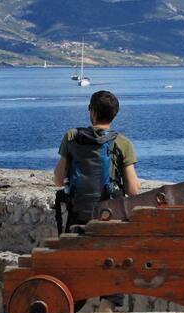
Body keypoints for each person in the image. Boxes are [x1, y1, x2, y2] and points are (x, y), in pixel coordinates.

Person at [53, 90, 141, 229]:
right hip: (110, 217)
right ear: (114, 115)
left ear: (92, 112)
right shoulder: (124, 143)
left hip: (78, 216)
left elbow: (58, 180)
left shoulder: (71, 136)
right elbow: (133, 191)